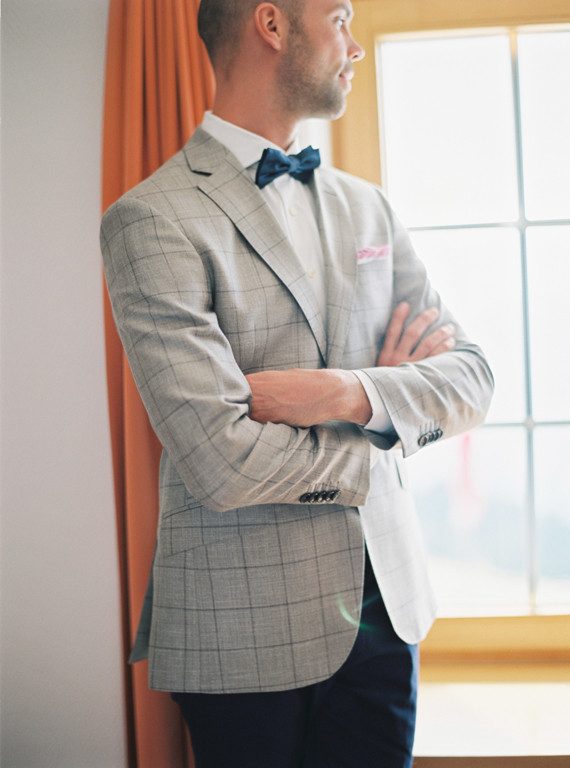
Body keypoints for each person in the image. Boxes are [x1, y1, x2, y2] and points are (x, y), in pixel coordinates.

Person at [101, 0, 494, 765]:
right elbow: (219, 458)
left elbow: (471, 378)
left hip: (386, 616)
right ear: (272, 25)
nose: (357, 46)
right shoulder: (149, 219)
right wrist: (383, 426)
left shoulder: (368, 208)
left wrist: (344, 392)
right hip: (240, 634)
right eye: (341, 17)